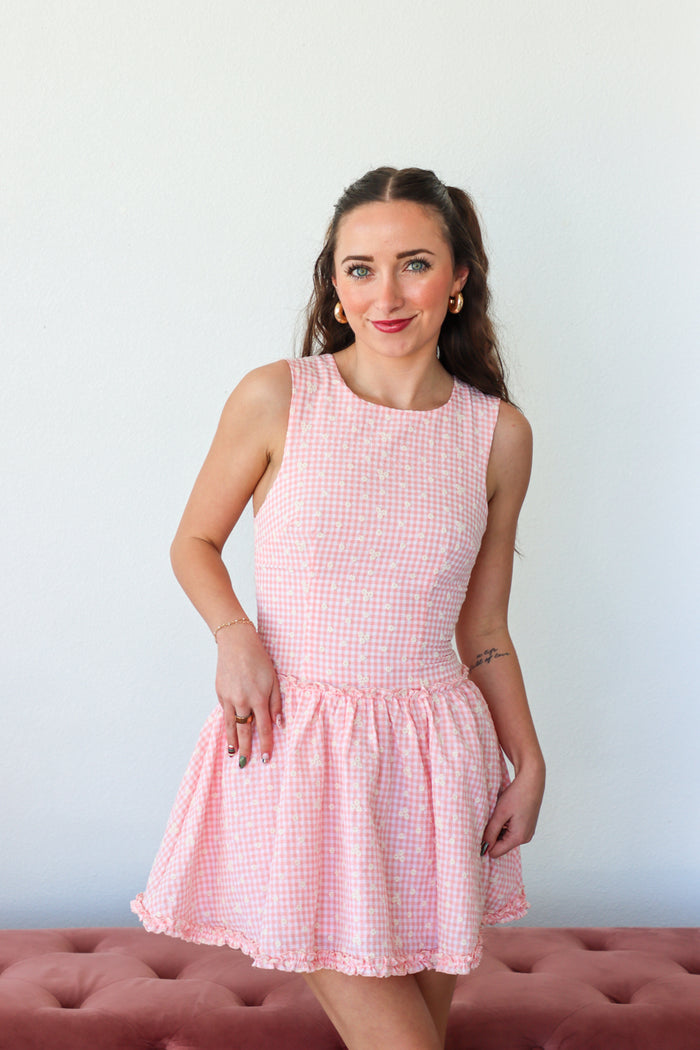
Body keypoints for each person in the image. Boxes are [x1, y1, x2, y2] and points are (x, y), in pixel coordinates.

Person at [132, 166, 545, 1050]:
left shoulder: (497, 435)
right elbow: (192, 543)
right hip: (301, 755)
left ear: (461, 276)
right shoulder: (278, 397)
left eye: (415, 264)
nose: (385, 294)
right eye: (359, 269)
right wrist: (234, 635)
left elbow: (484, 631)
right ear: (334, 283)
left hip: (440, 764)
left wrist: (530, 758)